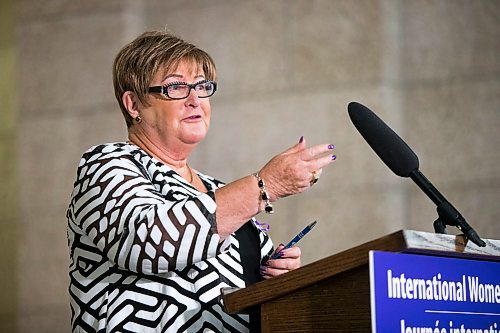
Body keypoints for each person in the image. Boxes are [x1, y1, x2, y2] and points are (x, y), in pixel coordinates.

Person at [67, 30, 336, 332]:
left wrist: (275, 276)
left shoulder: (217, 189)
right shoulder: (106, 164)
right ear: (134, 104)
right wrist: (266, 185)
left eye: (202, 86)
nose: (195, 99)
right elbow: (148, 243)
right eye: (176, 87)